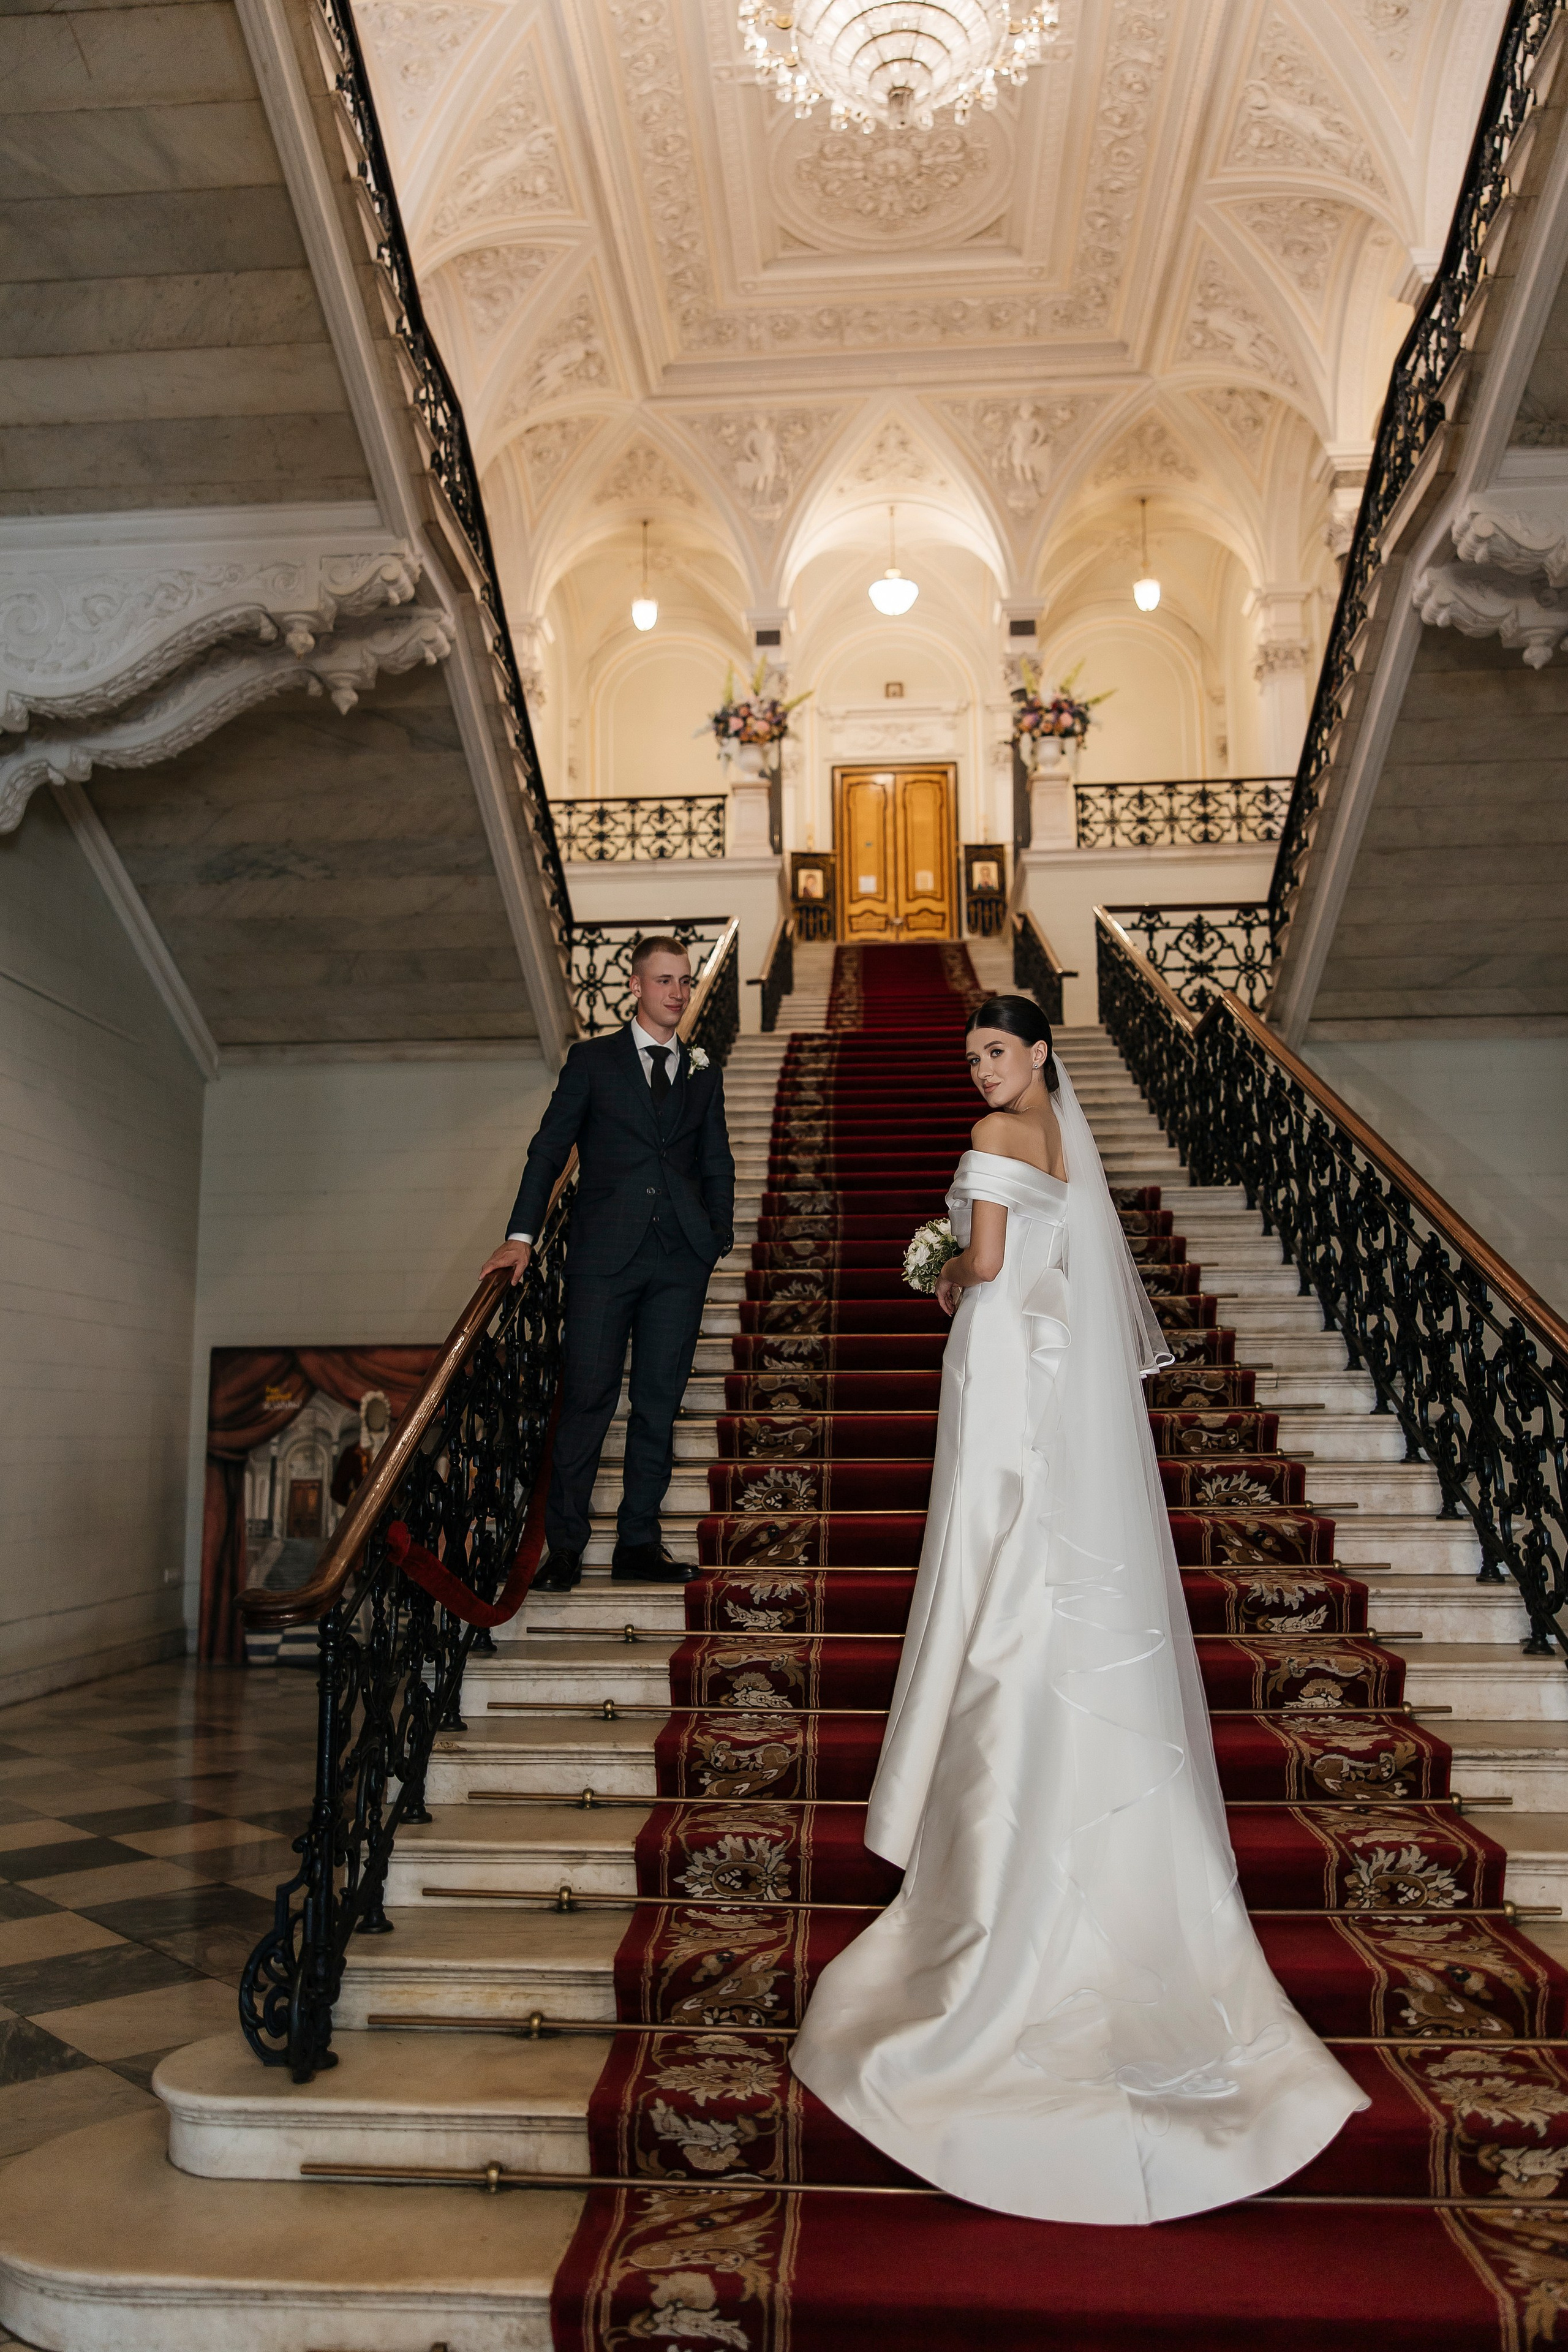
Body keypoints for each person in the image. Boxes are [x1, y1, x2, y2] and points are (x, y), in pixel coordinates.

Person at [790, 994, 1365, 2224]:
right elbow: (1052, 1257)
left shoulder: (994, 1138)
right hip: (1043, 1363)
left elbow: (992, 1266)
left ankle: (994, 1829)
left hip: (1001, 1355)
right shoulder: (1054, 1132)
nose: (981, 1070)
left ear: (1039, 1050)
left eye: (996, 1051)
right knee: (1038, 1545)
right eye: (971, 1057)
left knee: (991, 1547)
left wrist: (941, 1271)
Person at [480, 937, 734, 1591]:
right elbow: (548, 1150)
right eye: (664, 980)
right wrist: (521, 1236)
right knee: (588, 1399)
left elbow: (715, 1159)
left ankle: (638, 1545)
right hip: (603, 1259)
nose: (678, 992)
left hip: (680, 1260)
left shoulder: (703, 1070)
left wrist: (717, 1235)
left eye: (685, 980)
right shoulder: (592, 1061)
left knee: (658, 1402)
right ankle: (564, 1549)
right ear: (635, 986)